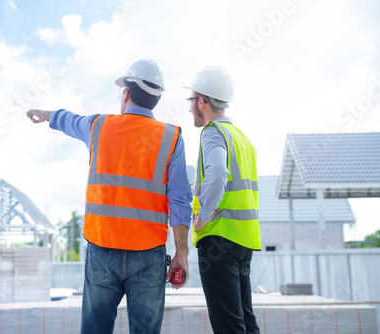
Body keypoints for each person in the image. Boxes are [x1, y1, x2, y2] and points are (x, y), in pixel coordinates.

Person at [26, 59, 192, 334]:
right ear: (155, 99)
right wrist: (181, 254)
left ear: (126, 93)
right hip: (148, 254)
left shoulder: (98, 127)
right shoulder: (171, 137)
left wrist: (46, 114)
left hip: (102, 249)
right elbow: (180, 201)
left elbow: (68, 120)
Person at [186, 66, 261, 334]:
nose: (190, 107)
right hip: (243, 240)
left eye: (191, 100)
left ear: (202, 101)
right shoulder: (243, 139)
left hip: (219, 237)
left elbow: (218, 173)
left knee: (229, 326)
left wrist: (203, 214)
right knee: (244, 321)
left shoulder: (212, 132)